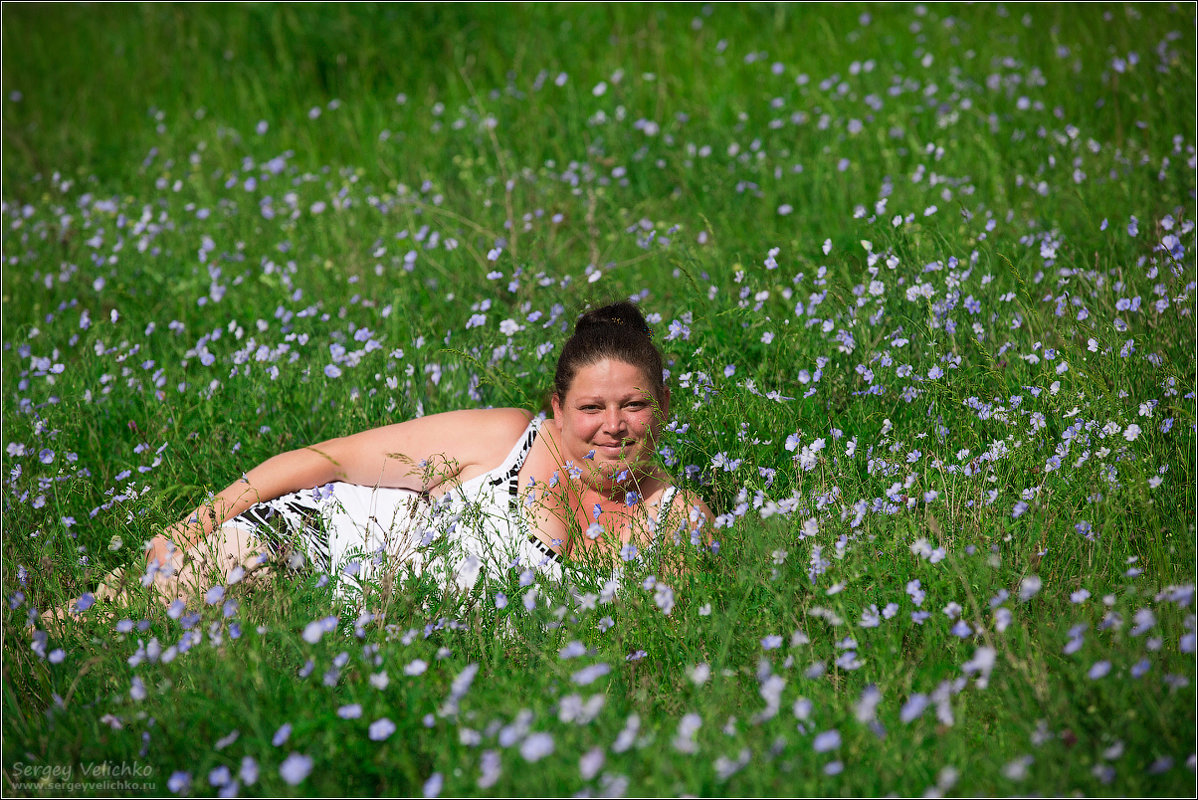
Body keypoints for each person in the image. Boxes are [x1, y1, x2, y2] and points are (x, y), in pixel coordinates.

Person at [91, 301, 713, 610]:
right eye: (591, 408)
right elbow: (330, 458)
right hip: (302, 546)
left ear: (663, 405)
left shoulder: (676, 516)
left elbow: (656, 631)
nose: (613, 427)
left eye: (633, 404)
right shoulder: (504, 438)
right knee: (98, 624)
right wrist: (190, 524)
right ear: (556, 406)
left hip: (355, 626)